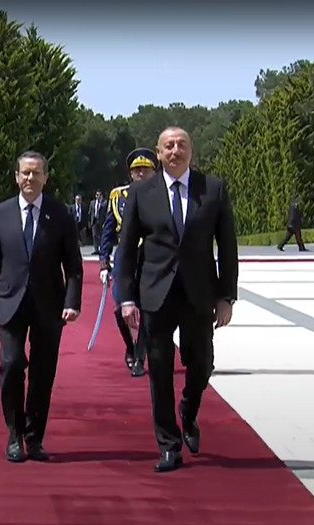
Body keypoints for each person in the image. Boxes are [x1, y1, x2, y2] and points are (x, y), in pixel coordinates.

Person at [116, 127, 238, 473]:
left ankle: (189, 408)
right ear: (159, 153)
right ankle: (169, 445)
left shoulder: (212, 190)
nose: (175, 150)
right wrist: (126, 297)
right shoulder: (142, 193)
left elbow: (227, 247)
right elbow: (126, 249)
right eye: (168, 146)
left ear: (191, 152)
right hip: (156, 294)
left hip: (199, 293)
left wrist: (226, 296)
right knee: (159, 371)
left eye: (181, 144)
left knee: (202, 364)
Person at [0, 150, 83, 463]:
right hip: (9, 302)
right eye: (25, 173)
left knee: (42, 373)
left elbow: (74, 265)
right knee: (11, 365)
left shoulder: (60, 214)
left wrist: (72, 302)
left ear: (45, 178)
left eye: (36, 173)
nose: (30, 178)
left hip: (48, 305)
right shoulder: (0, 214)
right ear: (16, 176)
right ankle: (14, 434)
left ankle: (34, 437)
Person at [99, 148, 157, 377]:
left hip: (151, 258)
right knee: (119, 309)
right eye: (136, 170)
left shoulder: (161, 195)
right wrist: (104, 262)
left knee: (146, 310)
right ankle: (130, 347)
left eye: (145, 170)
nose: (140, 174)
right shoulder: (118, 196)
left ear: (154, 171)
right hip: (126, 258)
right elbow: (108, 230)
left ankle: (140, 357)